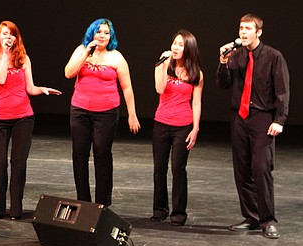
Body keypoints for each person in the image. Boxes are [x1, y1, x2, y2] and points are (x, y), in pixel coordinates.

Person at [217, 14, 289, 240]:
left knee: (261, 168)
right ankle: (251, 217)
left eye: (248, 28)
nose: (243, 32)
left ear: (258, 32)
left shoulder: (273, 57)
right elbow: (223, 83)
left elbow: (282, 91)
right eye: (241, 28)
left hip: (262, 118)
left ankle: (268, 220)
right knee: (242, 169)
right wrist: (222, 62)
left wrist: (279, 120)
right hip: (239, 118)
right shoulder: (236, 55)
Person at [0, 21, 61, 220]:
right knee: (0, 163)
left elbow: (29, 88)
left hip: (23, 117)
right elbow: (0, 79)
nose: (8, 37)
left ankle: (16, 209)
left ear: (16, 38)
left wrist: (41, 89)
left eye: (11, 34)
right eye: (4, 34)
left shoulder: (24, 59)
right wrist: (6, 56)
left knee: (19, 163)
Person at [64, 18, 140, 206]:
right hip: (80, 111)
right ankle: (83, 201)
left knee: (102, 154)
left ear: (111, 36)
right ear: (92, 33)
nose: (102, 36)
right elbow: (68, 73)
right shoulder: (82, 51)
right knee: (79, 155)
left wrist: (132, 114)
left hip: (106, 113)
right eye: (99, 32)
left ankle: (102, 204)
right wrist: (86, 53)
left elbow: (127, 88)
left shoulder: (116, 57)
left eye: (106, 33)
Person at [152, 29, 203, 226]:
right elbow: (159, 89)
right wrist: (163, 65)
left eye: (180, 44)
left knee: (178, 169)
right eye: (174, 43)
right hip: (161, 123)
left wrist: (195, 128)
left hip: (183, 125)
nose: (175, 47)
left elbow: (196, 103)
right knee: (159, 168)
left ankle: (179, 213)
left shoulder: (196, 73)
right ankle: (159, 209)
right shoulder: (162, 65)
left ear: (188, 48)